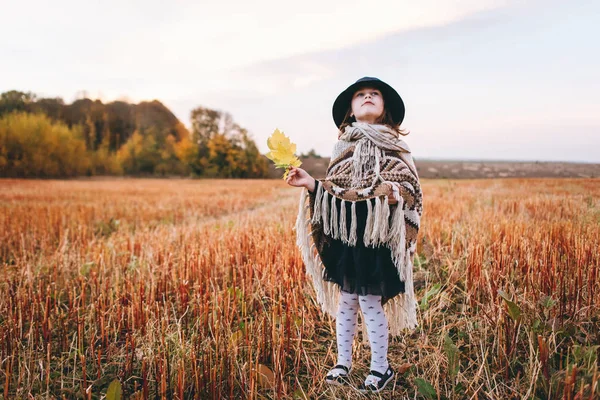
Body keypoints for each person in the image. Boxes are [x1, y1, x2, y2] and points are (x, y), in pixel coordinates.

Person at [286, 77, 423, 393]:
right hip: (347, 237)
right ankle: (343, 362)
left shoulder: (396, 147)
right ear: (350, 109)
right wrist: (311, 183)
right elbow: (335, 189)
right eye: (360, 95)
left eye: (375, 94)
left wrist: (394, 193)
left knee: (369, 300)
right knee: (347, 300)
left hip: (377, 239)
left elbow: (411, 189)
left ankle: (380, 367)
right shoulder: (342, 146)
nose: (368, 97)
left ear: (385, 108)